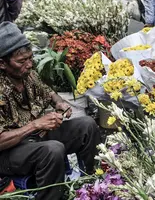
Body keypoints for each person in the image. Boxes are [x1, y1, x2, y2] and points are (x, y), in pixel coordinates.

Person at [0, 22, 101, 200]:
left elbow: (47, 91)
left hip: (34, 138)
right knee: (52, 150)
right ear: (2, 64)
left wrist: (60, 102)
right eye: (22, 61)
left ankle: (90, 186)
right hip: (8, 153)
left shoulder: (26, 74)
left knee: (87, 125)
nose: (30, 64)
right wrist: (34, 125)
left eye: (30, 58)